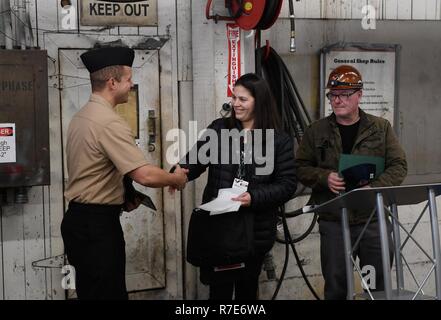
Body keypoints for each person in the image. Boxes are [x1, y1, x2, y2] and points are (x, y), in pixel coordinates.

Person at [60, 46, 188, 300]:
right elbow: (145, 175)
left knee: (91, 293)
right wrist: (177, 179)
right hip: (97, 227)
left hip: (79, 221)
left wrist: (123, 193)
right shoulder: (108, 122)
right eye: (128, 79)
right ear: (112, 82)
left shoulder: (82, 117)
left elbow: (96, 169)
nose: (131, 85)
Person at [178, 73, 297, 300]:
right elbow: (194, 161)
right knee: (219, 292)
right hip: (219, 227)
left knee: (247, 291)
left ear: (258, 102)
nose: (235, 104)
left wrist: (253, 197)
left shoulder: (278, 140)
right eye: (234, 97)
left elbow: (287, 184)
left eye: (243, 99)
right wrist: (179, 174)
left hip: (254, 231)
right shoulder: (220, 129)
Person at [295, 65, 407, 299]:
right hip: (334, 221)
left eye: (344, 95)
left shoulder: (380, 128)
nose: (337, 100)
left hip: (372, 220)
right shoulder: (316, 131)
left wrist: (373, 188)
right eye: (333, 95)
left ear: (359, 94)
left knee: (376, 287)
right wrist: (325, 178)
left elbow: (398, 165)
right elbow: (299, 167)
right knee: (337, 286)